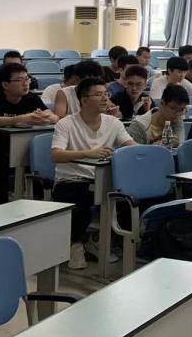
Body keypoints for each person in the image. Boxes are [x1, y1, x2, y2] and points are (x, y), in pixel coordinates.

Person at [50, 78, 135, 269]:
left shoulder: (113, 122)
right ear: (84, 100)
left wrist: (150, 151)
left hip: (104, 180)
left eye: (106, 94)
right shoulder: (66, 124)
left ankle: (99, 240)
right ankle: (75, 244)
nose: (105, 99)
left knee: (128, 198)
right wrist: (88, 153)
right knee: (79, 198)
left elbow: (130, 146)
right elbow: (55, 155)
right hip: (71, 179)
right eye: (98, 95)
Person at [0, 63, 57, 206]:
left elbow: (54, 118)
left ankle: (39, 201)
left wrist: (43, 118)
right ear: (5, 84)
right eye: (19, 80)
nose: (25, 83)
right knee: (0, 161)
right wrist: (21, 118)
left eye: (27, 79)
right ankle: (2, 206)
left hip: (24, 147)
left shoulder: (32, 98)